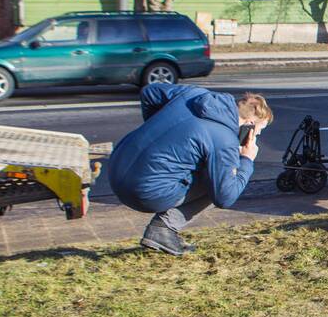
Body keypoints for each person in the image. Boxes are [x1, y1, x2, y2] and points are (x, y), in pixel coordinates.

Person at [108, 85, 273, 255]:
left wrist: (157, 136)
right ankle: (163, 229)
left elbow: (149, 92)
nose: (257, 136)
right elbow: (225, 197)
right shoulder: (225, 141)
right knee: (219, 183)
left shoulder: (195, 94)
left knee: (205, 166)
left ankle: (162, 230)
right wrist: (246, 159)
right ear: (250, 125)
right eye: (259, 131)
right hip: (140, 192)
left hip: (116, 167)